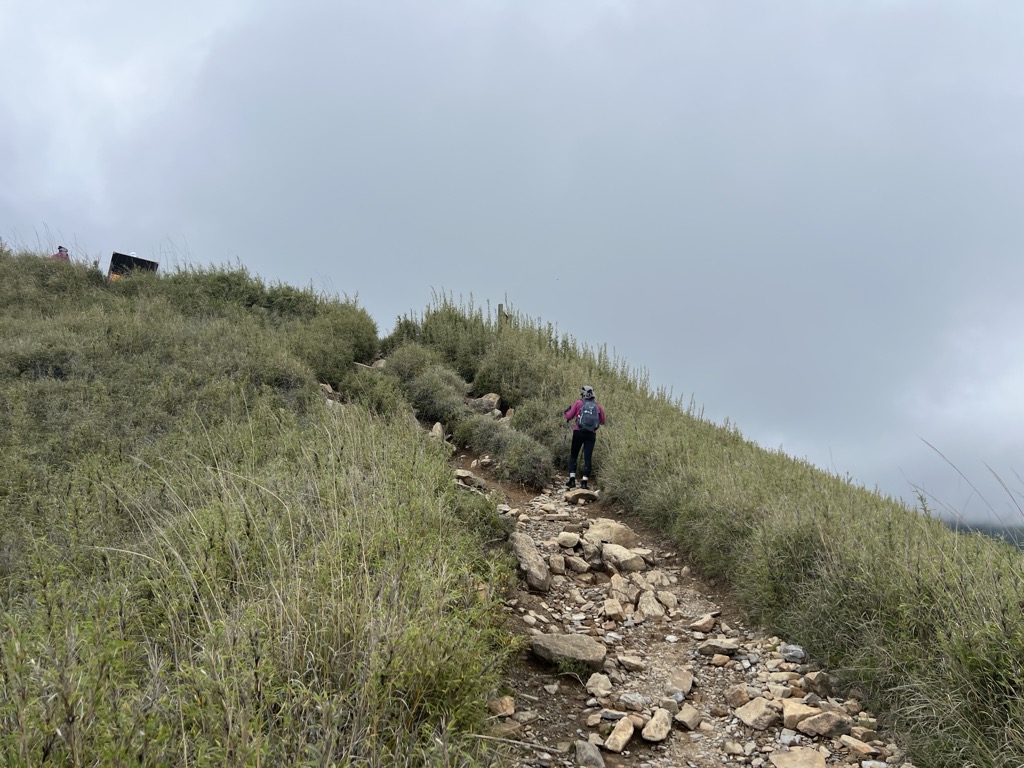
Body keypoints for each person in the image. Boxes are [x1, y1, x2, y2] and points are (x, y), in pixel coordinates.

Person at [563, 385, 606, 489]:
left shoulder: (579, 403)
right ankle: (584, 482)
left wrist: (566, 412)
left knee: (574, 455)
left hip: (578, 431)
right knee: (588, 458)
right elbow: (603, 421)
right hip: (591, 434)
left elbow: (569, 416)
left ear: (584, 394)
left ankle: (572, 480)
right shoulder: (598, 406)